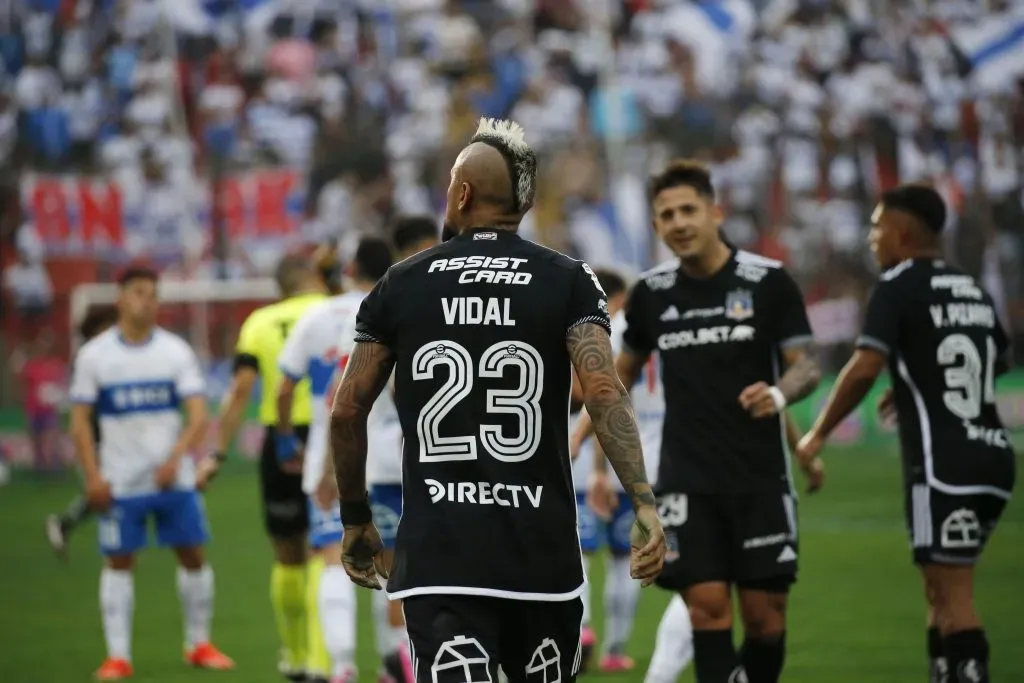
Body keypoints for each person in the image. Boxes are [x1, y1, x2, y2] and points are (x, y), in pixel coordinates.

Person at [328, 117, 666, 683]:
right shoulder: (570, 279)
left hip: (441, 552)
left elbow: (346, 412)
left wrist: (355, 518)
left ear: (461, 193)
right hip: (542, 553)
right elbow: (604, 392)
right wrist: (645, 502)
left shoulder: (400, 283)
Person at [796, 185, 1016, 683]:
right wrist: (921, 380)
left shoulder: (895, 285)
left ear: (899, 233)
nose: (872, 238)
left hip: (945, 465)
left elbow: (862, 368)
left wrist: (817, 435)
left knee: (955, 595)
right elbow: (994, 359)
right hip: (993, 456)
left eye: (876, 228)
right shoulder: (970, 287)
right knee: (938, 588)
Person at [615, 160, 822, 683]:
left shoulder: (768, 283)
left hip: (759, 479)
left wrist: (778, 393)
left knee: (765, 618)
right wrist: (576, 433)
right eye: (666, 215)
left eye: (688, 210)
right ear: (657, 227)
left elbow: (806, 369)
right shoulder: (651, 293)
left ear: (715, 212)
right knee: (706, 610)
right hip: (687, 482)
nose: (679, 222)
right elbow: (613, 382)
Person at [68, 265, 234, 680]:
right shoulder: (95, 356)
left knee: (193, 554)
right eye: (140, 292)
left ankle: (199, 644)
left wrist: (175, 458)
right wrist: (92, 477)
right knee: (119, 561)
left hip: (172, 479)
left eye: (153, 293)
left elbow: (197, 416)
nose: (148, 300)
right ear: (121, 299)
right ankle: (118, 656)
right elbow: (80, 422)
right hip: (120, 482)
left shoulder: (174, 352)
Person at [275, 237, 395, 683]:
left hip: (332, 452)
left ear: (349, 269)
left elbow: (286, 386)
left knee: (332, 557)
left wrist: (287, 439)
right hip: (391, 455)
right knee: (391, 562)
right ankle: (392, 664)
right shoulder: (395, 309)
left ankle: (343, 666)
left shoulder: (318, 316)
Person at [208, 253, 326, 682]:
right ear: (313, 277)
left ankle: (293, 657)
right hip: (328, 436)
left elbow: (240, 391)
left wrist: (217, 453)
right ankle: (319, 660)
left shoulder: (259, 322)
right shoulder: (334, 310)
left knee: (287, 554)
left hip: (279, 441)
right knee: (324, 549)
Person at [334, 217, 440, 683]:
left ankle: (393, 661)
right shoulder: (402, 308)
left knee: (400, 570)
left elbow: (341, 401)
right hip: (404, 462)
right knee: (405, 571)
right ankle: (402, 662)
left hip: (394, 462)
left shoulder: (382, 306)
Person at [567, 268, 660, 674]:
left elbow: (599, 399)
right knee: (629, 558)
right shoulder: (667, 330)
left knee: (582, 552)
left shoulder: (612, 330)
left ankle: (583, 627)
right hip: (655, 465)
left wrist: (597, 468)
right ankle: (616, 650)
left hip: (603, 459)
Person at [46, 304, 119, 558]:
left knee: (113, 489)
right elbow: (82, 411)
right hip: (96, 437)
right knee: (106, 489)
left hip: (112, 436)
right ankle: (69, 526)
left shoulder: (111, 357)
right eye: (107, 326)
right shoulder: (88, 361)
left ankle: (66, 525)